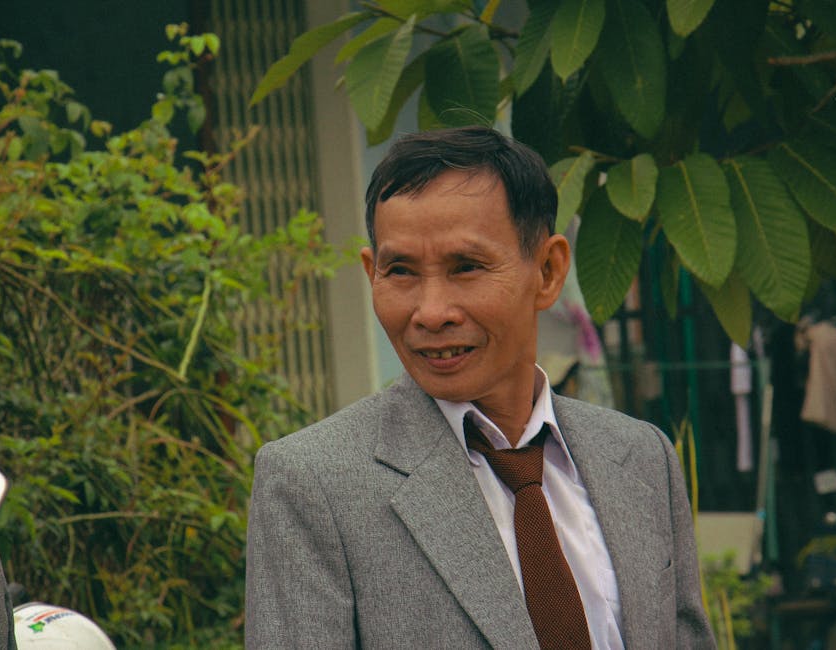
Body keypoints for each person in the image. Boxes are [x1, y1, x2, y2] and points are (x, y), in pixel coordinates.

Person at [245, 126, 715, 649]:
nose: (431, 313)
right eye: (399, 271)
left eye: (466, 267)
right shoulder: (314, 485)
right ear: (369, 272)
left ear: (548, 270)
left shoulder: (639, 458)